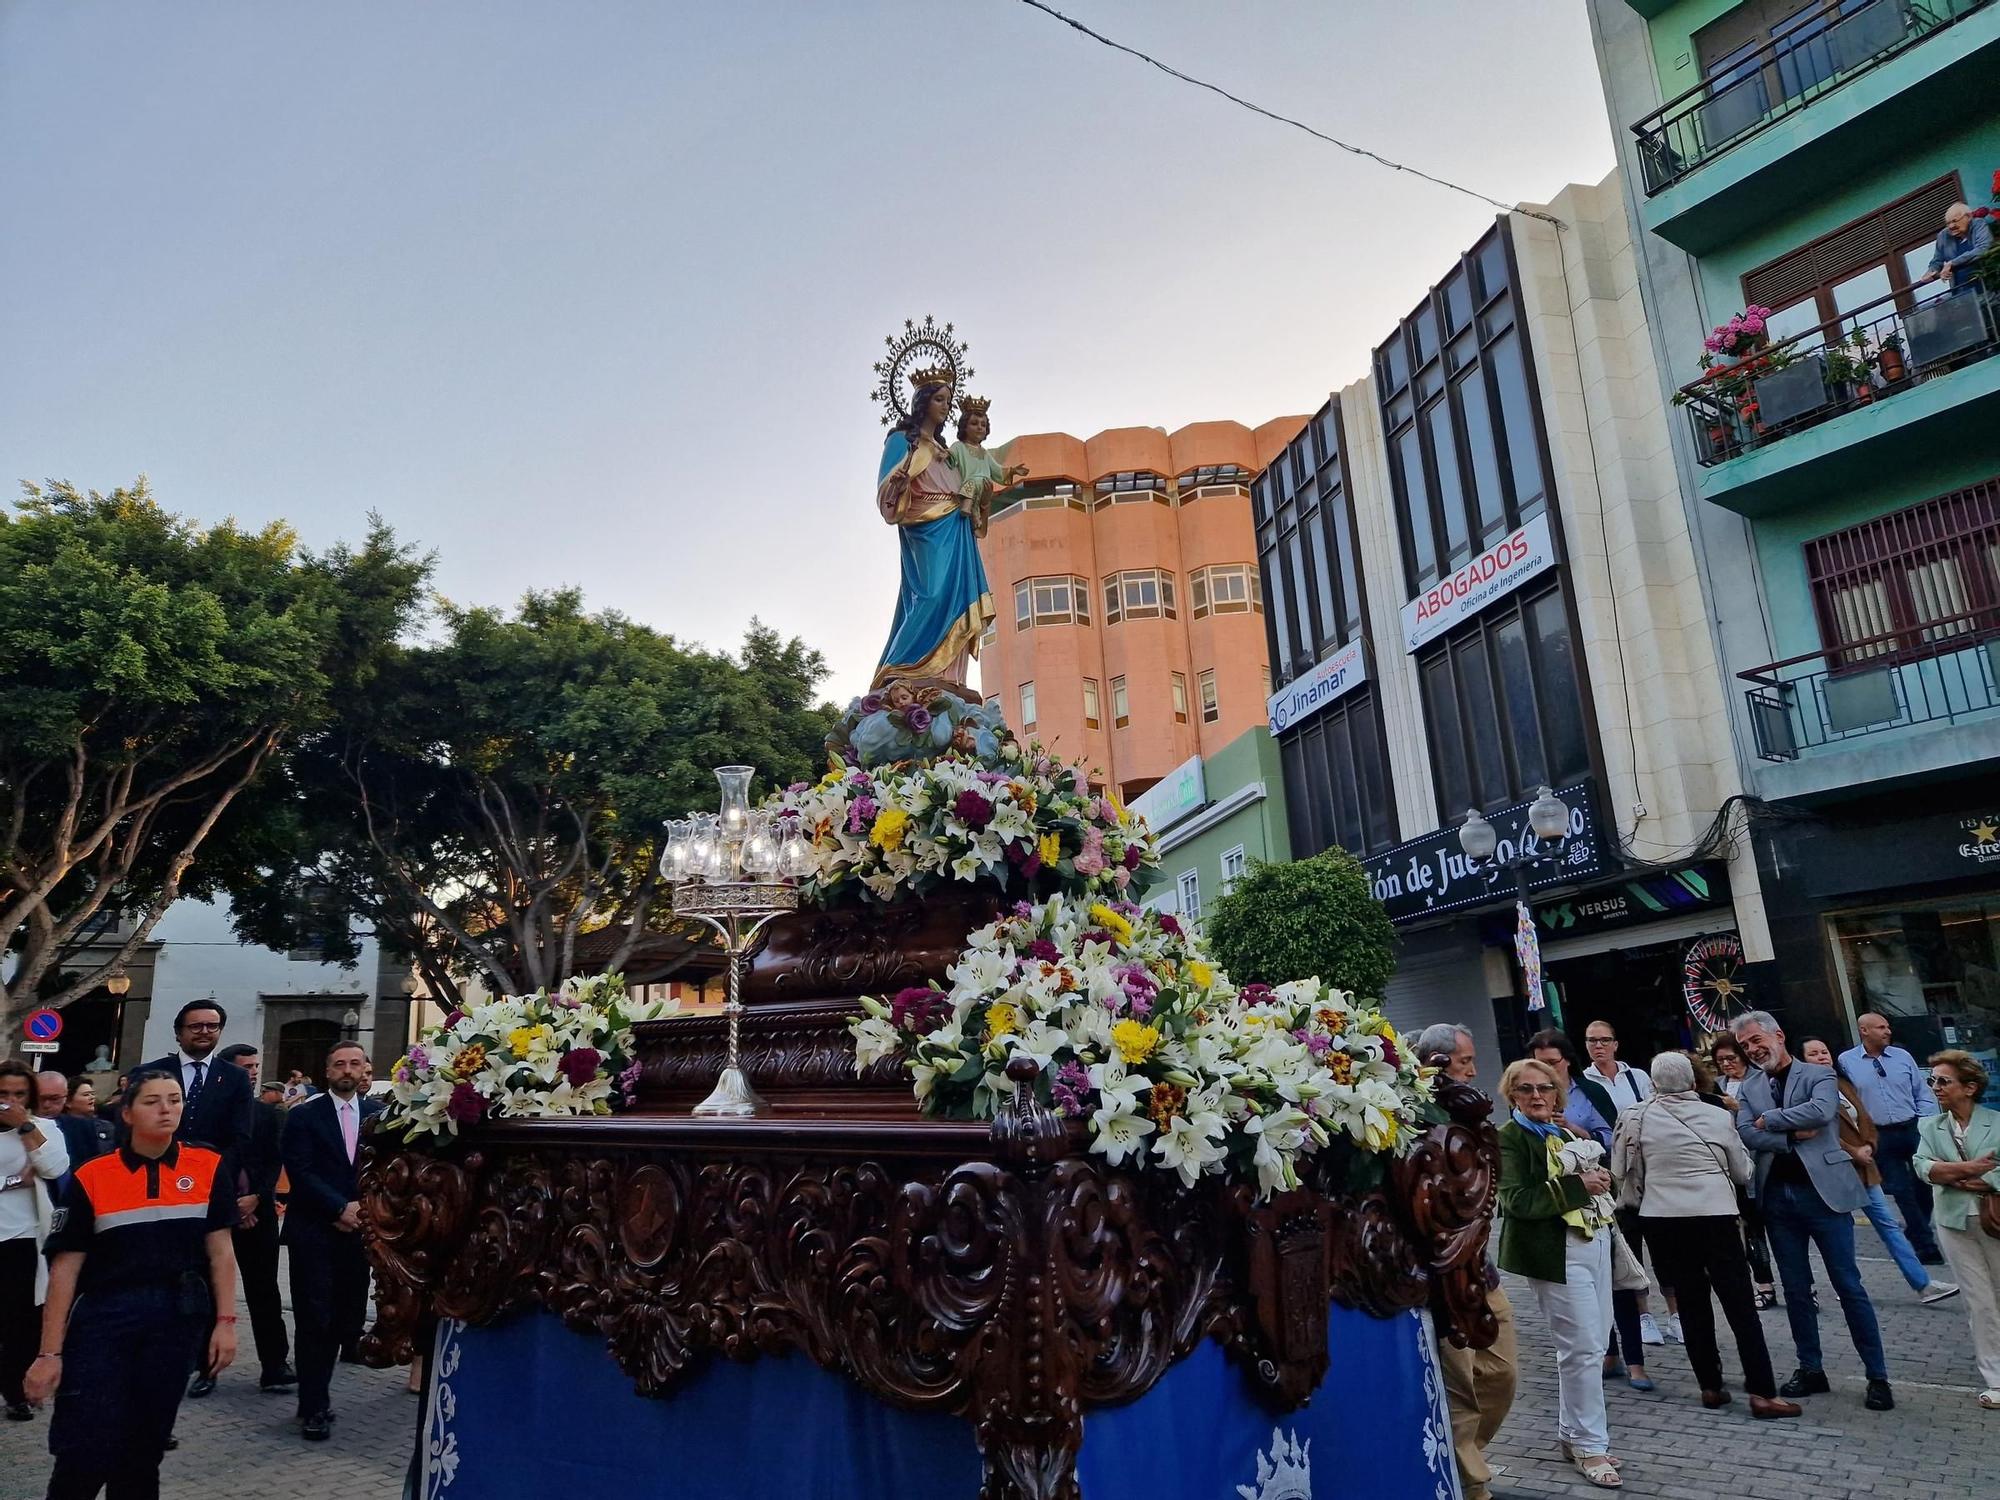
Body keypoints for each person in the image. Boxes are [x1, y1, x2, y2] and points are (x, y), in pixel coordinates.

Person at [25, 1069, 237, 1499]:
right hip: (106, 1317)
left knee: (144, 1449)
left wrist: (226, 1322)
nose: (166, 1109)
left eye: (174, 1100)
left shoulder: (209, 1167)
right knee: (85, 1447)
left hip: (176, 1318)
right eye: (152, 1101)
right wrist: (49, 1353)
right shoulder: (94, 1176)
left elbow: (221, 1252)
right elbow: (65, 1270)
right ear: (127, 1113)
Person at [1611, 1052, 1798, 1419]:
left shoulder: (1636, 1117)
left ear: (1653, 1084)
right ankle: (1762, 1392)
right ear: (1695, 1082)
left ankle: (1710, 1386)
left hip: (1662, 1218)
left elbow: (1621, 1169)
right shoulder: (1716, 1115)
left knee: (1691, 1302)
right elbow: (1742, 1173)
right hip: (1715, 1215)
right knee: (1740, 1305)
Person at [1732, 1010, 1893, 1410]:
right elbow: (1745, 1131)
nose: (1753, 1049)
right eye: (1745, 1045)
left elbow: (1821, 1114)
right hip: (1777, 1199)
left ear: (1778, 1035)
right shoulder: (1748, 1085)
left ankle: (1877, 1375)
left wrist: (1769, 1120)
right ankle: (1811, 1367)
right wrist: (1786, 1136)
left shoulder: (1818, 1073)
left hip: (1825, 1196)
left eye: (1756, 1040)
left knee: (1848, 1285)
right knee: (1796, 1290)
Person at [1497, 1057, 1623, 1488]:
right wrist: (1577, 1187)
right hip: (1555, 1252)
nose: (1537, 1096)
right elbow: (1515, 1201)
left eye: (1545, 1088)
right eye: (1527, 1089)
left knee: (1593, 1340)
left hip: (1594, 1241)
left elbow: (1593, 1184)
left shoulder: (1563, 1132)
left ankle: (1572, 1434)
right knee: (1584, 1347)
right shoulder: (1510, 1138)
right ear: (1512, 1094)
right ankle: (1591, 1445)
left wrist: (1601, 1179)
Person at [1414, 1024, 1517, 1500]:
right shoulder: (1417, 1121)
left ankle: (1465, 1459)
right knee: (1461, 1391)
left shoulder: (1471, 1123)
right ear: (1435, 1065)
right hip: (1443, 1281)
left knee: (1500, 1375)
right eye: (1463, 1062)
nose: (1474, 1072)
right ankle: (1471, 1485)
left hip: (1481, 1272)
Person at [1529, 1030, 1655, 1383]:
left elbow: (1612, 1139)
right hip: (1562, 1203)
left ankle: (1636, 1362)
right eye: (1539, 1063)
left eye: (1552, 1063)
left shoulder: (1589, 1092)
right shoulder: (1528, 1096)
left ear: (1567, 1061)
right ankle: (1608, 1354)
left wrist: (1570, 1128)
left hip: (1602, 1196)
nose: (1545, 1071)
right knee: (1589, 1285)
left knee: (1619, 1280)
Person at [1799, 1037, 1959, 1306]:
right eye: (1813, 1054)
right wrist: (1853, 1150)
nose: (1822, 1057)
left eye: (1824, 1051)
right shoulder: (1807, 1092)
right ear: (1803, 1061)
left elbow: (1865, 1117)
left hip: (1865, 1167)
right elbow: (1820, 1133)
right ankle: (1848, 1286)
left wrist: (1870, 1145)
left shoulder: (1843, 1084)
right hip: (1836, 1172)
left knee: (1888, 1224)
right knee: (1843, 1233)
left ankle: (1923, 1284)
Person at [282, 1041, 382, 1441]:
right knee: (314, 1320)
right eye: (339, 1063)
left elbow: (386, 1169)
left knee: (348, 1317)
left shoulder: (379, 1116)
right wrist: (338, 1207)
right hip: (315, 1231)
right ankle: (313, 1405)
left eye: (355, 1063)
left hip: (359, 1233)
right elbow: (300, 1170)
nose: (347, 1070)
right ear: (327, 1071)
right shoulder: (304, 1117)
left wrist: (365, 1209)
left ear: (364, 1070)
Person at [872, 378, 996, 688]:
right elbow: (886, 492)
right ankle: (900, 669)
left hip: (956, 530)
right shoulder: (902, 440)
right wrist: (898, 480)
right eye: (940, 399)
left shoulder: (948, 451)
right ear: (923, 401)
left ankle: (946, 677)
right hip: (925, 527)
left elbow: (969, 482)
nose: (946, 406)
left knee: (956, 600)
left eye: (948, 400)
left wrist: (981, 494)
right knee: (931, 594)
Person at [188, 1044, 293, 1398]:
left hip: (258, 1215)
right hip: (218, 1215)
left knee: (265, 1292)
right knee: (211, 1291)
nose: (252, 1072)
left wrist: (257, 1198)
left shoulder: (267, 1114)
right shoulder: (207, 1114)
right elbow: (204, 1162)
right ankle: (207, 1367)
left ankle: (275, 1366)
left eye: (255, 1066)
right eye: (245, 1066)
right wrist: (231, 1207)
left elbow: (273, 1160)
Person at [1914, 1050, 2000, 1409]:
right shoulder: (1929, 1127)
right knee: (1979, 1303)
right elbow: (1923, 1167)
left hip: (1994, 1220)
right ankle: (1995, 1378)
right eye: (1932, 1081)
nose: (1935, 1087)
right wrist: (1972, 1169)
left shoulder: (1996, 1122)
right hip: (1952, 1221)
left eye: (1944, 1081)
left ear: (1970, 1087)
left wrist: (1976, 1176)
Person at [1583, 1021, 1678, 1346]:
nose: (1598, 1046)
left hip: (1649, 1172)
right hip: (1613, 1175)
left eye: (1604, 1040)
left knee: (1664, 1245)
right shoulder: (1584, 1083)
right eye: (1592, 1041)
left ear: (1616, 1044)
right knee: (1630, 1248)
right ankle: (1643, 1315)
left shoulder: (1637, 1077)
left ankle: (1675, 1313)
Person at [1838, 1012, 1944, 1266]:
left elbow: (1922, 1091)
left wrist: (1924, 1120)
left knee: (1924, 1182)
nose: (1887, 1031)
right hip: (1879, 1134)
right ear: (1864, 1031)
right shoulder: (1847, 1061)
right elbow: (1849, 1099)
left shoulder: (1902, 1057)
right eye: (1880, 1027)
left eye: (1888, 1027)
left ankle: (1916, 1228)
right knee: (1901, 1189)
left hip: (1911, 1127)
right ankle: (1925, 1245)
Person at [1, 1058, 70, 1423]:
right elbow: (26, 1176)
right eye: (2, 1094)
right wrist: (13, 1181)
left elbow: (56, 1166)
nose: (9, 1101)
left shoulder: (40, 1127)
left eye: (19, 1094)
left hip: (24, 1238)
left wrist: (24, 1126)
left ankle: (15, 1392)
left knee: (22, 1323)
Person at [136, 1001, 255, 1166]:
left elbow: (241, 1133)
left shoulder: (236, 1077)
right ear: (179, 1032)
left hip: (214, 1172)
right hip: (155, 1168)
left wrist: (220, 1170)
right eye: (196, 1026)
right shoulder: (148, 1072)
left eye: (212, 1026)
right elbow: (132, 1127)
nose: (205, 1031)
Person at [1707, 1033, 1776, 1307]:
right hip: (1735, 1170)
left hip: (1764, 1163)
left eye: (1731, 1058)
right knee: (1751, 1232)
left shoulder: (1761, 1081)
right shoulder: (1717, 1086)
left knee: (1778, 1230)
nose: (1726, 1064)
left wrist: (1738, 1110)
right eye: (1720, 1060)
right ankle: (1764, 1284)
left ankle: (1803, 1287)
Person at [32, 1073, 103, 1175]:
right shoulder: (17, 1125)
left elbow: (92, 1165)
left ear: (65, 1098)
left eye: (54, 1099)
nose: (46, 1104)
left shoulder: (82, 1126)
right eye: (40, 1098)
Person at [1918, 201, 1994, 294]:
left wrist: (1953, 263)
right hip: (1961, 292)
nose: (1951, 226)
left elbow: (1984, 248)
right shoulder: (1943, 236)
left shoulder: (1978, 224)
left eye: (1954, 221)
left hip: (1987, 287)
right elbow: (1937, 261)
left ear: (1969, 217)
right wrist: (1930, 272)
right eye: (1948, 223)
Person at [60, 1081, 115, 1165]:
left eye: (92, 1094)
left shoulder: (107, 1126)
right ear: (68, 1102)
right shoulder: (60, 1127)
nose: (91, 1097)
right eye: (86, 1095)